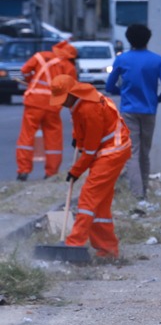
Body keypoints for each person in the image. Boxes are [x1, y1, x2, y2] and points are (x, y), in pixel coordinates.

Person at [50, 74, 131, 259]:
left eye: (63, 99)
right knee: (100, 206)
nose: (62, 104)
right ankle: (108, 251)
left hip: (112, 152)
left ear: (72, 93)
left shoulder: (89, 108)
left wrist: (75, 171)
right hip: (110, 150)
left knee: (87, 199)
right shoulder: (80, 103)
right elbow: (83, 130)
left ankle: (73, 244)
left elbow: (91, 149)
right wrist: (77, 139)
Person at [106, 24, 161, 199]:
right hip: (149, 110)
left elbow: (109, 86)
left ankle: (137, 194)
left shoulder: (122, 60)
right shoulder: (157, 60)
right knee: (145, 152)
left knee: (132, 152)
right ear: (147, 39)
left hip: (128, 110)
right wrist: (155, 100)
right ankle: (144, 189)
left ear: (129, 39)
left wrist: (123, 92)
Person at [15, 40, 77, 180]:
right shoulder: (69, 67)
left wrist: (31, 80)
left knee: (27, 135)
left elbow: (24, 71)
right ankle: (51, 173)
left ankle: (23, 170)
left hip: (34, 102)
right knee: (53, 138)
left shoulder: (40, 56)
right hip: (53, 106)